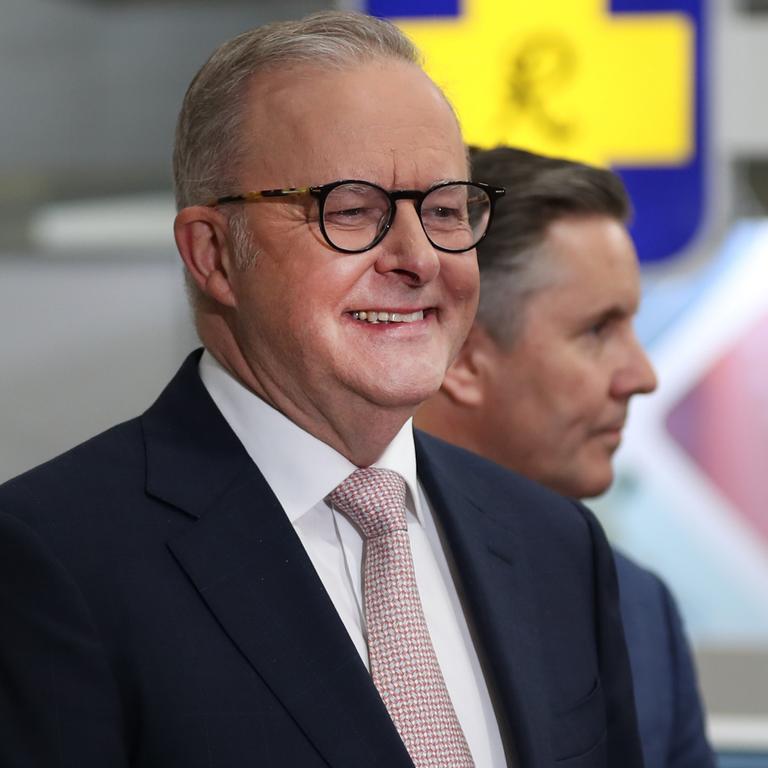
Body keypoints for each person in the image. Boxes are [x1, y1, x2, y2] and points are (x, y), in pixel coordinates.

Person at [0, 14, 644, 768]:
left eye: (443, 210)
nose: (417, 258)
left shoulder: (554, 545)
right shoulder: (51, 561)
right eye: (352, 211)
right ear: (213, 254)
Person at [417, 145, 715, 768]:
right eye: (598, 330)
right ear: (464, 356)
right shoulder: (341, 577)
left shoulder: (639, 611)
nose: (642, 375)